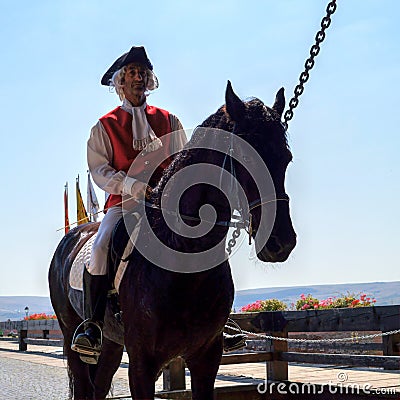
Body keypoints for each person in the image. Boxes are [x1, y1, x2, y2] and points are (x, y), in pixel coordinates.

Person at [71, 46, 246, 362]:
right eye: (132, 73)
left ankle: (221, 320)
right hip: (123, 203)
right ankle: (93, 325)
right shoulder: (104, 127)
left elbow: (185, 159)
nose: (138, 78)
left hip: (169, 205)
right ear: (120, 82)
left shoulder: (170, 120)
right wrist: (132, 186)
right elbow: (100, 170)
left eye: (143, 72)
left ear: (149, 80)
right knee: (99, 249)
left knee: (205, 241)